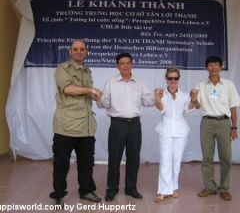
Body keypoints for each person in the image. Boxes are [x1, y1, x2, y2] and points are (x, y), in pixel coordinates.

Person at [49, 40, 102, 208]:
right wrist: (90, 90)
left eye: (82, 49)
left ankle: (86, 190)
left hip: (86, 126)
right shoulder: (62, 69)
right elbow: (68, 89)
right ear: (70, 51)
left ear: (87, 52)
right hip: (66, 126)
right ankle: (58, 195)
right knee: (61, 164)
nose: (79, 52)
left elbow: (85, 94)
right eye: (75, 49)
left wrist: (95, 95)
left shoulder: (87, 71)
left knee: (86, 162)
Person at [96, 52, 156, 202]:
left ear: (132, 64)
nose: (125, 66)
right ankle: (112, 189)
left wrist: (156, 97)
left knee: (134, 158)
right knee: (114, 159)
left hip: (135, 125)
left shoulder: (139, 83)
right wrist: (98, 99)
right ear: (117, 66)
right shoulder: (111, 82)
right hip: (118, 124)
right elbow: (105, 103)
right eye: (122, 63)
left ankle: (131, 188)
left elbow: (147, 101)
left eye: (128, 63)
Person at [194, 55, 240, 201]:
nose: (213, 67)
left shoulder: (228, 85)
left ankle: (224, 188)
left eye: (216, 65)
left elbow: (233, 108)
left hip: (224, 123)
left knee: (226, 157)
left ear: (220, 67)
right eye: (210, 65)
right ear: (206, 68)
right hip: (207, 122)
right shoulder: (201, 85)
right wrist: (194, 99)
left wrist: (234, 127)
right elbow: (197, 106)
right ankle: (209, 187)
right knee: (207, 157)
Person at [153, 67, 198, 202]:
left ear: (179, 79)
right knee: (165, 160)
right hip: (165, 130)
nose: (173, 81)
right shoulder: (161, 94)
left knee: (176, 161)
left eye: (175, 78)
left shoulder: (184, 95)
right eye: (170, 78)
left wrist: (194, 100)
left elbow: (188, 110)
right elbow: (161, 110)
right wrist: (157, 98)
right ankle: (163, 191)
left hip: (181, 131)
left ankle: (173, 188)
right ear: (166, 79)